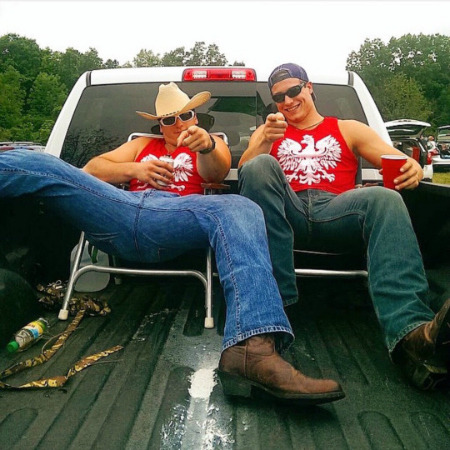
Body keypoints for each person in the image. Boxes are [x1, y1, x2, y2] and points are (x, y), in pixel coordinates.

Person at [0, 82, 344, 406]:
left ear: (195, 116)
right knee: (43, 164)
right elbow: (92, 169)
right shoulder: (141, 146)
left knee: (240, 207)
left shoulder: (210, 141)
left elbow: (216, 172)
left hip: (175, 217)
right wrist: (136, 170)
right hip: (118, 211)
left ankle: (252, 349)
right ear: (159, 125)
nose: (179, 123)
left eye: (185, 115)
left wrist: (205, 145)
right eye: (169, 119)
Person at [238, 63, 450, 390]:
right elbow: (246, 172)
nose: (288, 101)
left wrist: (414, 167)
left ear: (309, 87)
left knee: (385, 197)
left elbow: (395, 159)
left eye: (293, 91)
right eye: (279, 97)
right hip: (286, 210)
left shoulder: (348, 128)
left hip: (336, 209)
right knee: (260, 164)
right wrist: (263, 141)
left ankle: (411, 333)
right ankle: (274, 308)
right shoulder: (267, 132)